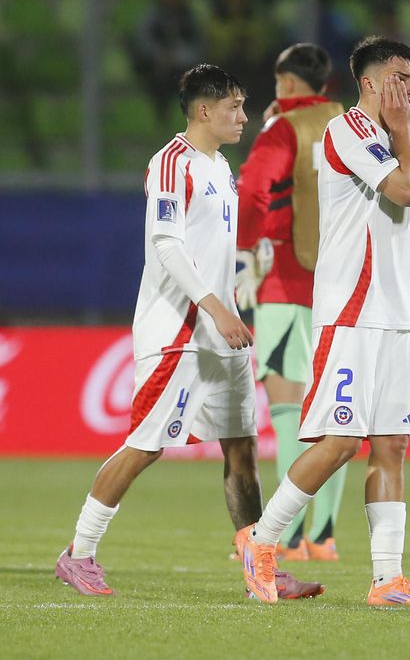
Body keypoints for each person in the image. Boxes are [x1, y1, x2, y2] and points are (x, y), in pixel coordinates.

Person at [54, 64, 321, 599]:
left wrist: (242, 277)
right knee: (146, 446)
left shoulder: (220, 166)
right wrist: (215, 307)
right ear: (204, 110)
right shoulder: (172, 162)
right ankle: (78, 554)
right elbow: (167, 244)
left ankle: (259, 566)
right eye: (234, 107)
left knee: (241, 449)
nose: (243, 116)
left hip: (222, 332)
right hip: (178, 330)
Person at [236, 36, 410, 605]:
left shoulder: (399, 135)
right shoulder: (348, 130)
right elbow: (406, 191)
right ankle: (261, 542)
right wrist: (403, 132)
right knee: (340, 442)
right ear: (369, 82)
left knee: (392, 445)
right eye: (399, 77)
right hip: (352, 311)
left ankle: (388, 579)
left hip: (398, 315)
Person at [236, 43, 347, 563]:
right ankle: (323, 537)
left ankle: (286, 533)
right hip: (342, 285)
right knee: (336, 417)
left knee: (288, 412)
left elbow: (254, 189)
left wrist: (244, 253)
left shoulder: (283, 128)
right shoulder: (351, 125)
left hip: (284, 277)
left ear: (285, 82)